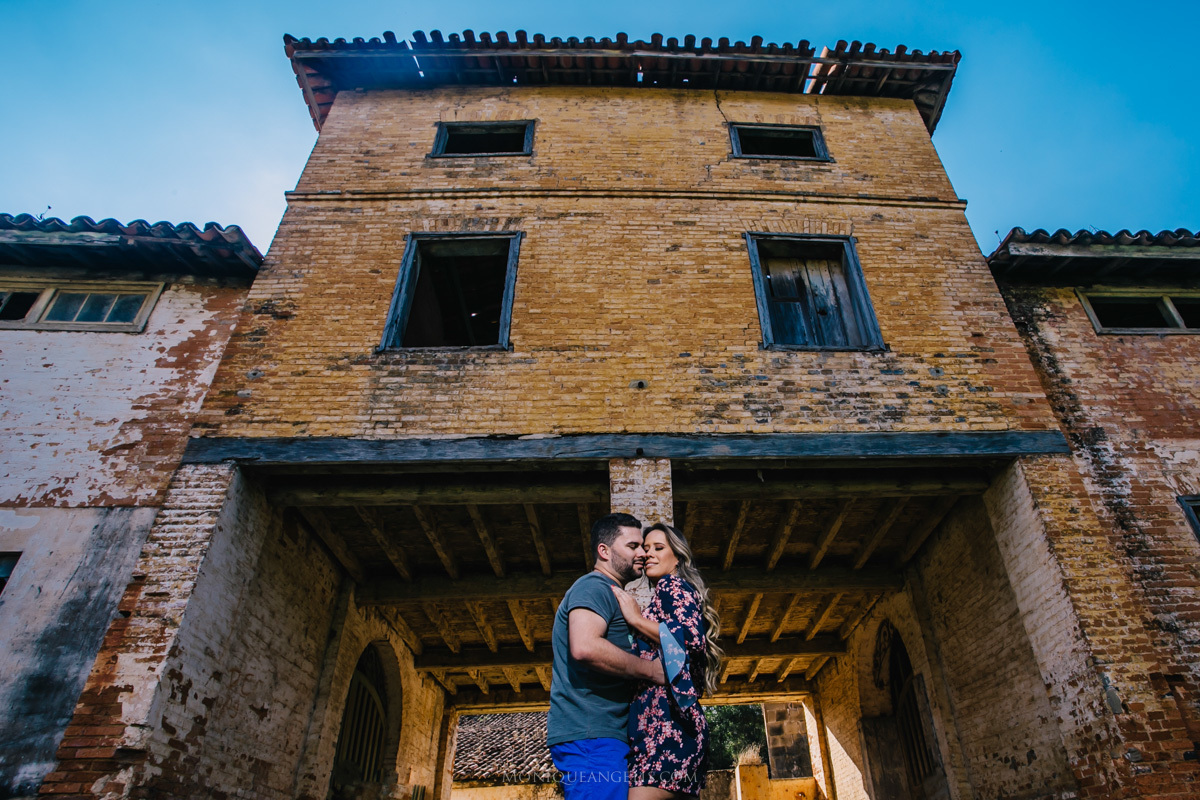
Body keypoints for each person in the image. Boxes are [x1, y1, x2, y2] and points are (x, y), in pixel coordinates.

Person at [548, 513, 667, 800]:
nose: (642, 553)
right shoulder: (593, 587)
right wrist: (651, 670)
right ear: (604, 551)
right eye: (633, 546)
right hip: (590, 736)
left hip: (603, 736)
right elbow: (585, 646)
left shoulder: (611, 593)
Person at [611, 523, 723, 799]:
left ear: (678, 557)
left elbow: (692, 638)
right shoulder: (666, 593)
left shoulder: (672, 586)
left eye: (658, 548)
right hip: (663, 728)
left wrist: (636, 619)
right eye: (645, 549)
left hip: (669, 730)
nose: (648, 554)